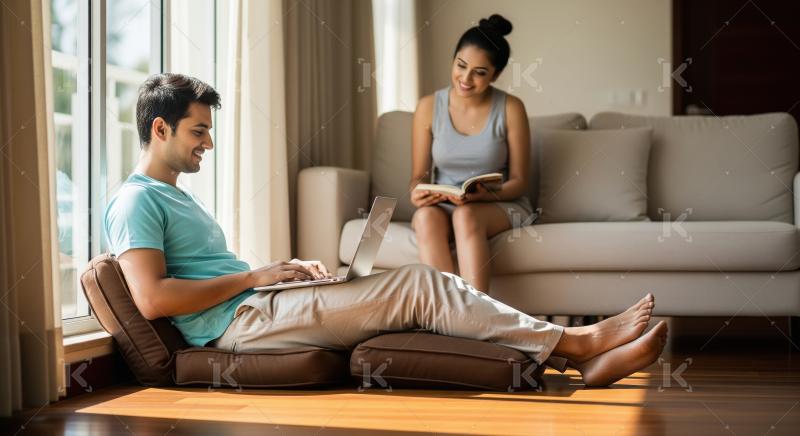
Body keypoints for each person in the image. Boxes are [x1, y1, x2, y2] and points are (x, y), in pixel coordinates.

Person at [105, 72, 667, 388]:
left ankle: (575, 358)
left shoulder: (176, 198)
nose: (208, 143)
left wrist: (283, 276)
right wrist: (257, 277)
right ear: (160, 128)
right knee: (421, 285)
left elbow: (205, 278)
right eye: (198, 131)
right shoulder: (135, 201)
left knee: (420, 283)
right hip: (240, 328)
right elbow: (153, 299)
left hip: (258, 305)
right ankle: (577, 344)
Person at [410, 14, 534, 292]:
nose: (465, 79)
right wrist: (417, 191)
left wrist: (485, 194)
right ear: (453, 60)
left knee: (466, 216)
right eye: (461, 66)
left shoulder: (511, 107)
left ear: (496, 75)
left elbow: (519, 180)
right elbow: (419, 175)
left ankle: (478, 315)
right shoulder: (428, 107)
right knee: (424, 218)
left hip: (498, 203)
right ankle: (445, 316)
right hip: (446, 202)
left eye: (479, 72)